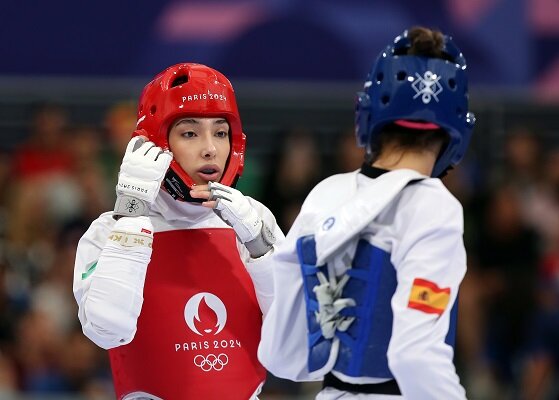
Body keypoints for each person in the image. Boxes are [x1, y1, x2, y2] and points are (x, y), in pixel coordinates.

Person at [258, 26, 476, 399]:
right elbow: (415, 356)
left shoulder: (327, 193)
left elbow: (282, 355)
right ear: (454, 131)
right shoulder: (434, 206)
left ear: (368, 115)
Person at [73, 63, 283, 399]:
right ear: (157, 144)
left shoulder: (254, 221)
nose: (210, 148)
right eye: (189, 133)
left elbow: (295, 345)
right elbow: (107, 330)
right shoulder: (107, 230)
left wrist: (261, 248)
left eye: (220, 132)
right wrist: (131, 215)